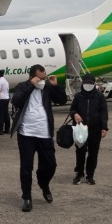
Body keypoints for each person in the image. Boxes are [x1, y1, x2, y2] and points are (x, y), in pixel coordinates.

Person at [10, 64, 68, 212]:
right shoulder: (23, 86)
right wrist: (31, 85)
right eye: (39, 78)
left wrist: (55, 86)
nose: (43, 80)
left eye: (44, 77)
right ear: (32, 77)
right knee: (26, 167)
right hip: (26, 134)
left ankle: (44, 184)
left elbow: (62, 100)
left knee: (50, 164)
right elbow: (16, 101)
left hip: (44, 133)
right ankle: (27, 197)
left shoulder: (48, 87)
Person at [69, 73, 109, 185]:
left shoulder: (99, 96)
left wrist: (104, 127)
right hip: (81, 129)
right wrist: (75, 114)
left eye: (90, 83)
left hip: (95, 129)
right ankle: (79, 174)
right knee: (80, 152)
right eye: (86, 83)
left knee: (93, 153)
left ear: (94, 83)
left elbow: (103, 113)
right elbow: (72, 110)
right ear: (83, 83)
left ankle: (90, 175)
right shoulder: (78, 96)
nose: (88, 85)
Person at [0, 69, 11, 135]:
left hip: (1, 99)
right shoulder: (5, 81)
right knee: (6, 114)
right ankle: (7, 129)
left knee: (0, 115)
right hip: (6, 98)